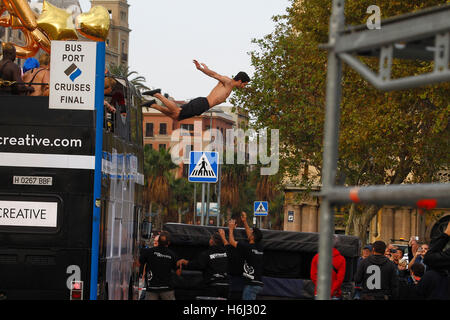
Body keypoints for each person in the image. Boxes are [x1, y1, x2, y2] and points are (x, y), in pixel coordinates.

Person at [141, 60, 250, 121]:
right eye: (244, 84)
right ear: (240, 81)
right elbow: (214, 75)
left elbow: (214, 74)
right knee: (177, 111)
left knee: (176, 117)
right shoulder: (228, 82)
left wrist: (206, 69)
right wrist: (202, 69)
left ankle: (153, 105)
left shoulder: (229, 86)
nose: (244, 87)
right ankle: (157, 94)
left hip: (203, 106)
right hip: (202, 103)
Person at [177, 231, 229, 299]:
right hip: (227, 286)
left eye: (211, 239)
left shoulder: (206, 254)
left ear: (212, 241)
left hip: (213, 286)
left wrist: (184, 262)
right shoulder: (227, 252)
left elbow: (197, 265)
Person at [225, 211, 264, 300]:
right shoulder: (260, 247)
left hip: (251, 285)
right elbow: (249, 233)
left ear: (253, 237)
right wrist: (244, 221)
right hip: (258, 284)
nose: (249, 232)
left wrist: (231, 229)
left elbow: (231, 241)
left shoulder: (247, 247)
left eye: (251, 232)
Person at [139, 231, 181, 300]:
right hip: (167, 289)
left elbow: (140, 262)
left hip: (152, 288)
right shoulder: (172, 255)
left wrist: (143, 273)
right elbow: (178, 272)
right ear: (169, 243)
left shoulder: (149, 252)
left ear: (158, 241)